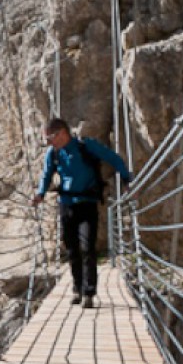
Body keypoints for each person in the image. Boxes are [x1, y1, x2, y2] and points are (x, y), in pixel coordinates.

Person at [30, 118, 132, 309]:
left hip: (87, 203)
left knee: (87, 247)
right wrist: (40, 194)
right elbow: (46, 175)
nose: (48, 143)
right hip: (66, 205)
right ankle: (77, 288)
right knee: (71, 249)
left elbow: (113, 158)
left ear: (61, 133)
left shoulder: (86, 146)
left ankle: (89, 292)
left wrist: (126, 178)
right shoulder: (53, 154)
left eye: (49, 138)